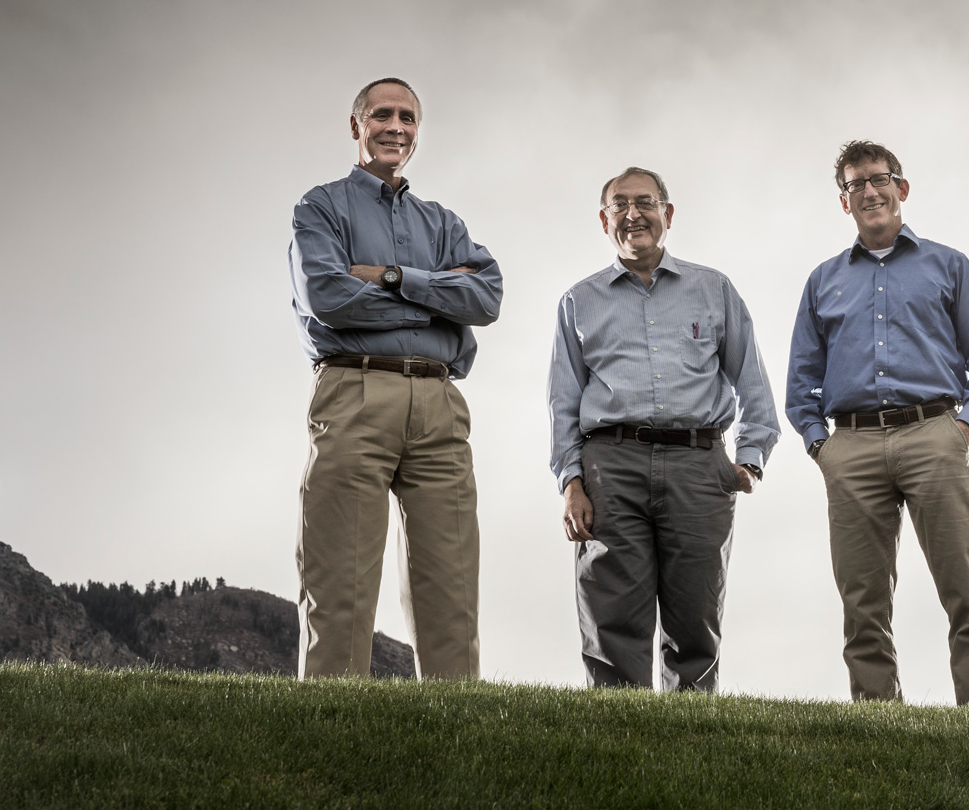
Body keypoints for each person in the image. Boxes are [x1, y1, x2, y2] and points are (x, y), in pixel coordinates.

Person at [288, 76, 502, 680]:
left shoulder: (443, 222)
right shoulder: (320, 206)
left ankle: (455, 738)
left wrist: (388, 277)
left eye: (408, 118)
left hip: (440, 403)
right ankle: (332, 739)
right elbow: (329, 296)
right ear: (356, 126)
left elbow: (486, 297)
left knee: (452, 590)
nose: (396, 127)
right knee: (340, 586)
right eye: (382, 115)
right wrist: (439, 300)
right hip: (355, 391)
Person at [786, 140, 969, 706]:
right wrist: (821, 446)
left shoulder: (948, 265)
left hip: (934, 436)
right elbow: (801, 379)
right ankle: (879, 725)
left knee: (966, 591)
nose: (869, 192)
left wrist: (964, 428)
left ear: (900, 188)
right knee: (862, 603)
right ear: (844, 202)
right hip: (852, 447)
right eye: (855, 185)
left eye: (878, 180)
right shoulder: (822, 281)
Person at [548, 166, 779, 691]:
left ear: (667, 214)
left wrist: (750, 457)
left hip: (699, 466)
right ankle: (618, 739)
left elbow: (754, 384)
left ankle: (690, 743)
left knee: (695, 617)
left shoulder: (713, 289)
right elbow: (563, 402)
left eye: (645, 203)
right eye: (620, 205)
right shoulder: (578, 301)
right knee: (611, 618)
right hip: (610, 466)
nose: (633, 215)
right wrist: (571, 482)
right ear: (604, 221)